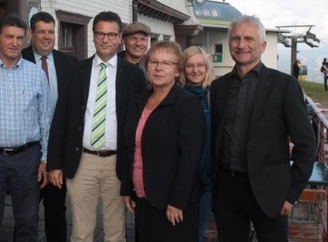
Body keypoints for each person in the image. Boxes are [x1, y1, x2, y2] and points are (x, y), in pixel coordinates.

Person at [211, 15, 316, 241]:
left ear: (263, 45)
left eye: (249, 38)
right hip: (226, 190)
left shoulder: (284, 85)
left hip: (270, 191)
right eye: (236, 38)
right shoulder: (219, 87)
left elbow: (306, 144)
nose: (241, 45)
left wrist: (291, 194)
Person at [47, 11, 147, 242]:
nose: (105, 39)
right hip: (82, 161)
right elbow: (60, 118)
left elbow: (141, 122)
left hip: (118, 163)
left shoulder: (134, 75)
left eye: (111, 35)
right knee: (81, 233)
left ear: (120, 37)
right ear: (93, 36)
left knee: (115, 233)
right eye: (100, 33)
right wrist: (54, 163)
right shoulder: (74, 71)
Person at [0, 14, 52, 241]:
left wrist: (45, 158)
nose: (14, 43)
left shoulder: (35, 74)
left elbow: (45, 119)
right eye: (9, 37)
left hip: (27, 157)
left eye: (19, 38)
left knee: (27, 221)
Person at [121, 41, 205, 241]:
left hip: (172, 204)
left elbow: (190, 159)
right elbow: (130, 149)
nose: (159, 68)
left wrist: (177, 201)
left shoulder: (187, 104)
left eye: (167, 63)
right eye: (154, 62)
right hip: (143, 198)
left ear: (177, 71)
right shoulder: (138, 101)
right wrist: (127, 188)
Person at [21, 11, 77, 242]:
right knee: (26, 213)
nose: (46, 37)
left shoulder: (69, 63)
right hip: (27, 148)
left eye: (51, 32)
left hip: (57, 150)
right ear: (31, 34)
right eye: (41, 31)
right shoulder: (19, 58)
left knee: (56, 210)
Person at [182, 46, 214, 242]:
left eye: (200, 65)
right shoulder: (175, 96)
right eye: (190, 66)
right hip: (180, 181)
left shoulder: (215, 96)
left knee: (196, 233)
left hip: (207, 180)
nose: (195, 70)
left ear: (207, 67)